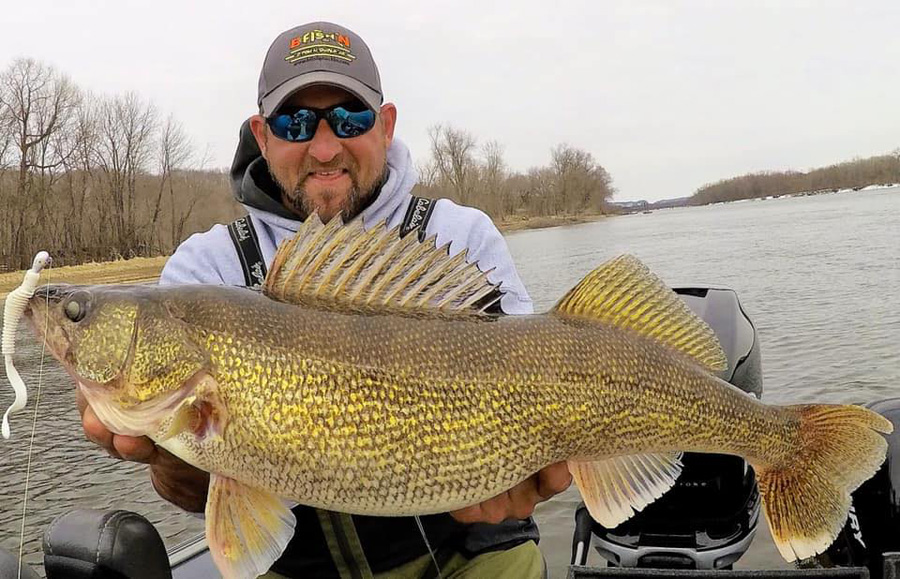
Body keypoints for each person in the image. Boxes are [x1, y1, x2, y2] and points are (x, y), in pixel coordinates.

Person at [77, 21, 571, 578]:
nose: (325, 145)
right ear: (262, 137)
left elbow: (538, 385)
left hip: (469, 550)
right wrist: (168, 453)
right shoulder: (204, 269)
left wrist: (532, 471)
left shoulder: (459, 239)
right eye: (295, 121)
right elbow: (192, 489)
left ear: (385, 126)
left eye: (350, 117)